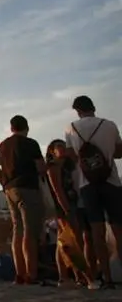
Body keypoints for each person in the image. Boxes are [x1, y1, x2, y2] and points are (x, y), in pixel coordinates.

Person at [64, 95, 122, 289]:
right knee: (118, 228)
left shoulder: (71, 128)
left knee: (96, 231)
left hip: (87, 183)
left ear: (77, 111)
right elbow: (120, 152)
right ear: (94, 107)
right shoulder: (110, 125)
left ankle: (107, 278)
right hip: (111, 180)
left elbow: (72, 156)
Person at [0, 114, 46, 284]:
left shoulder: (3, 145)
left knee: (17, 230)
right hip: (27, 187)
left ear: (11, 128)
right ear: (26, 128)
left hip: (10, 189)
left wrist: (4, 182)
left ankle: (20, 273)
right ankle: (32, 274)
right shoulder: (30, 143)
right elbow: (41, 167)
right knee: (30, 231)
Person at [45, 139, 99, 288]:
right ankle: (83, 277)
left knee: (63, 242)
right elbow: (58, 191)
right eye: (59, 147)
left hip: (72, 204)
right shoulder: (53, 168)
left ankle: (66, 277)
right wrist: (67, 210)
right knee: (73, 243)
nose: (63, 149)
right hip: (64, 207)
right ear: (52, 151)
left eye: (64, 146)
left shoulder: (67, 167)